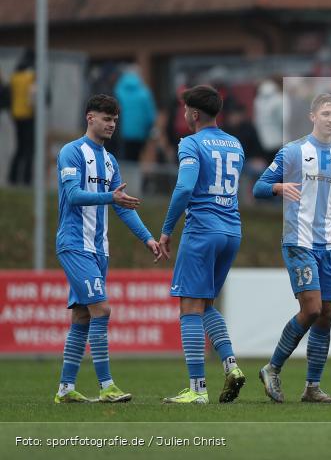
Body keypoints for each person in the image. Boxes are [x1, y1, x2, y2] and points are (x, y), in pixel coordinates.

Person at [254, 93, 331, 404]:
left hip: (329, 246)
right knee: (312, 309)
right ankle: (272, 368)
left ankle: (312, 388)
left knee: (327, 314)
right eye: (326, 113)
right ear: (312, 116)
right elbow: (258, 187)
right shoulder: (293, 152)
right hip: (299, 242)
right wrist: (278, 187)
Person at [53, 94, 162, 403]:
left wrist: (148, 239)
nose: (112, 124)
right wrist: (110, 198)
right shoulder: (71, 152)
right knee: (102, 309)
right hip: (75, 244)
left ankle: (65, 389)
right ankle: (107, 386)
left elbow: (123, 206)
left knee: (83, 318)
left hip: (100, 249)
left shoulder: (111, 161)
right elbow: (73, 196)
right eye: (106, 118)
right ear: (90, 118)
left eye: (115, 120)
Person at [158, 85, 246, 404]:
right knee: (207, 303)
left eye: (185, 110)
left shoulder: (191, 144)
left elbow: (183, 189)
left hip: (203, 231)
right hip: (232, 231)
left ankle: (197, 390)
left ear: (194, 114)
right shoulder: (235, 144)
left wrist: (167, 230)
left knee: (188, 306)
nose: (183, 114)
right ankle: (231, 365)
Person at [113, 67, 157, 162]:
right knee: (135, 159)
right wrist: (148, 130)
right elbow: (150, 117)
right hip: (139, 135)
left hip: (120, 133)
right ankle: (133, 176)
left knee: (121, 160)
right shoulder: (144, 92)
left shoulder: (117, 90)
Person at [8, 51, 36, 185]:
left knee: (19, 147)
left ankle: (12, 177)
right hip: (28, 115)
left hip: (16, 115)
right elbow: (33, 96)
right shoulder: (31, 76)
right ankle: (26, 179)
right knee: (29, 148)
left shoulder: (14, 77)